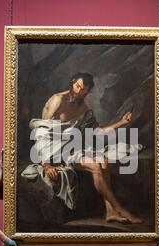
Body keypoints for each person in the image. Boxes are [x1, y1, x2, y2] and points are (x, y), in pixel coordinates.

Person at [22, 72, 142, 224]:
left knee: (103, 161)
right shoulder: (58, 100)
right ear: (72, 83)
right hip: (55, 152)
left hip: (74, 147)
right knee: (95, 167)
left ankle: (110, 212)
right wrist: (46, 164)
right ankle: (120, 208)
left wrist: (121, 123)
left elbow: (97, 132)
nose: (78, 91)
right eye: (77, 86)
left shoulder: (84, 107)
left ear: (88, 91)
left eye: (83, 89)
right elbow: (41, 132)